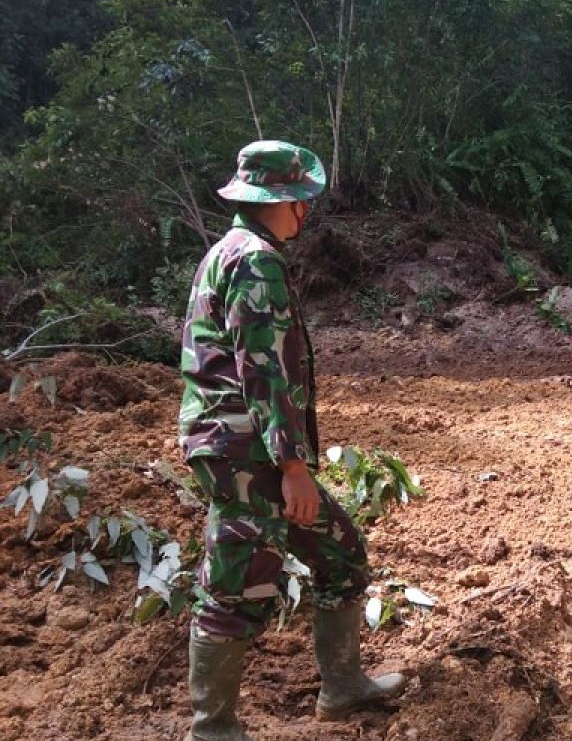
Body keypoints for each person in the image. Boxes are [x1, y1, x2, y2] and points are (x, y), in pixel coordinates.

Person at [178, 140, 402, 740]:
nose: (306, 209)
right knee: (236, 585)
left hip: (241, 449)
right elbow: (265, 370)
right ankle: (213, 729)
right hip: (246, 454)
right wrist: (293, 466)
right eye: (302, 198)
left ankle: (343, 686)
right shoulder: (255, 261)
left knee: (340, 553)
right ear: (283, 201)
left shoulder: (230, 251)